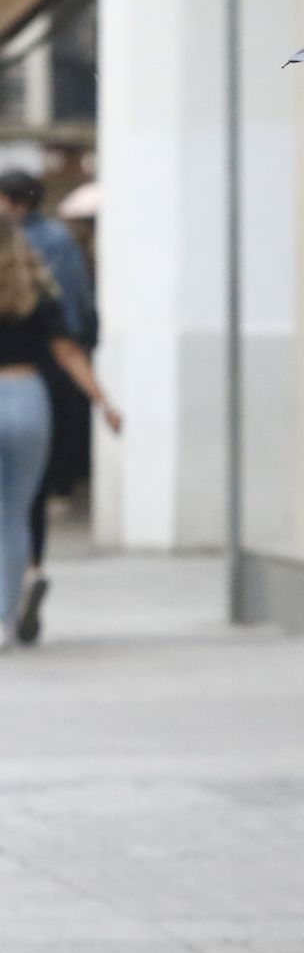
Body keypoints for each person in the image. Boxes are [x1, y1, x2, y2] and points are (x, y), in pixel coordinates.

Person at [0, 211, 120, 650]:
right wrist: (103, 402)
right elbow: (68, 352)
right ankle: (6, 617)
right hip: (28, 396)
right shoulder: (37, 293)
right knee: (15, 514)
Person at [0, 171, 98, 612]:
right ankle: (28, 573)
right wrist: (100, 397)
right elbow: (76, 318)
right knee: (24, 501)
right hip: (36, 384)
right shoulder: (53, 249)